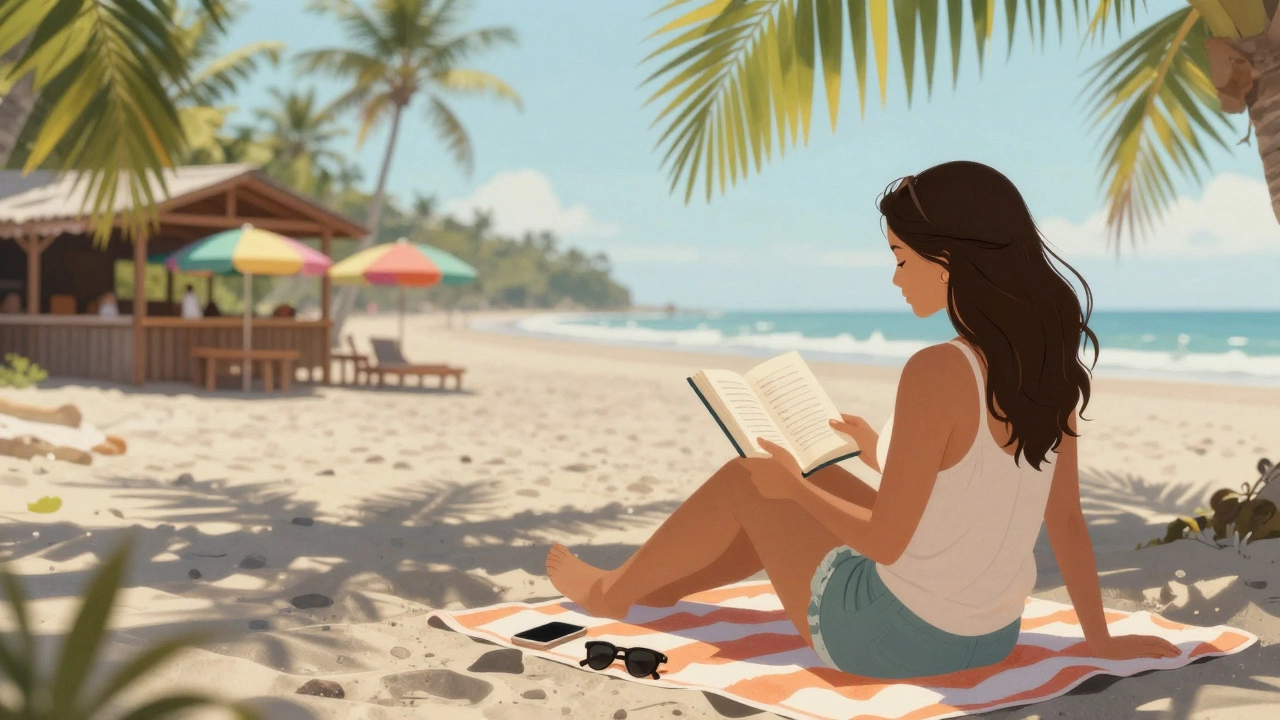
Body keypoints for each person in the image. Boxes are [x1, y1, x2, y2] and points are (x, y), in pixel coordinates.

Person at [545, 161, 1180, 679]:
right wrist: (1098, 641)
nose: (896, 277)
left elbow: (884, 543)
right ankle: (659, 588)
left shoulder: (938, 368)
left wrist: (794, 486)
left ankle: (614, 593)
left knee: (750, 481)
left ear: (950, 261)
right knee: (819, 486)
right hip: (991, 635)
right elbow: (1054, 515)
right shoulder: (1048, 371)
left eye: (903, 258)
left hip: (892, 638)